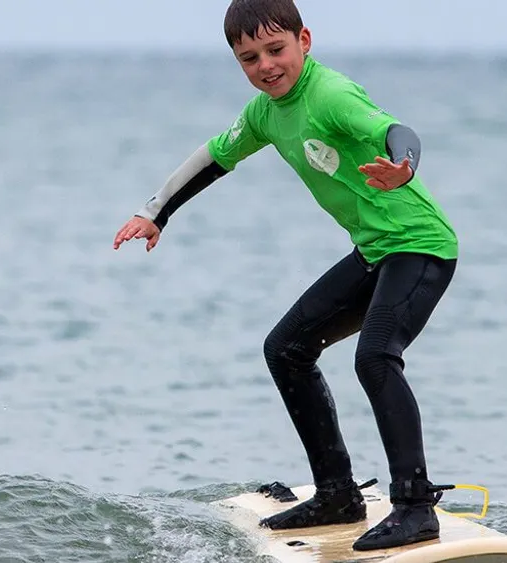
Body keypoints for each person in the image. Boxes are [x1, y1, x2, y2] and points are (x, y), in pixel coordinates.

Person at [111, 0, 459, 552]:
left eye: (276, 49)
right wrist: (155, 213)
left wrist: (404, 168)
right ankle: (337, 494)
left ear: (305, 41)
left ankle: (415, 506)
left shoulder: (331, 94)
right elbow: (214, 157)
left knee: (374, 357)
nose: (266, 66)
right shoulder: (265, 114)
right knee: (287, 349)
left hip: (421, 246)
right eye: (249, 58)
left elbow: (398, 130)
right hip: (375, 251)